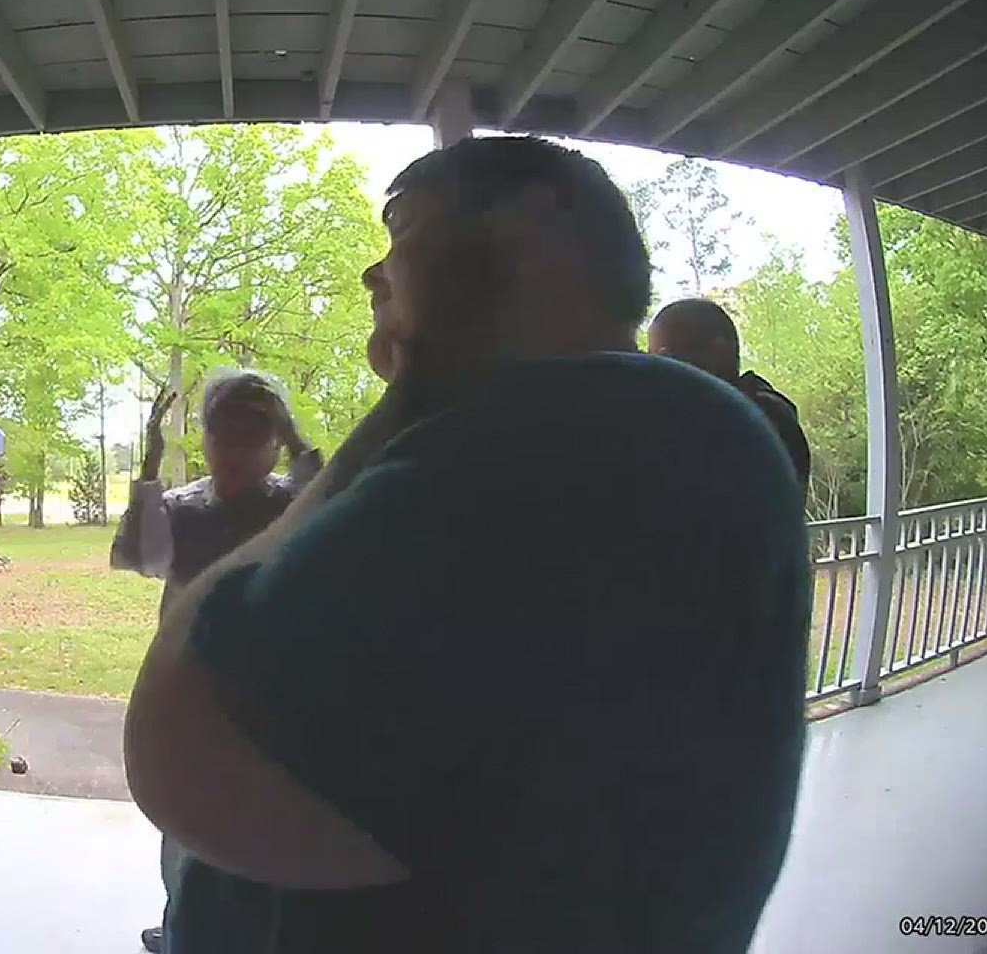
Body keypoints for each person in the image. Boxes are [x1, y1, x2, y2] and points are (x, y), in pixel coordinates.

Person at [123, 135, 811, 952]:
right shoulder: (654, 433)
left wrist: (399, 406)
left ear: (532, 217)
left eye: (402, 228)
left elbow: (178, 736)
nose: (373, 274)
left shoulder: (573, 433)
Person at [111, 368, 324, 953]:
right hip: (192, 686)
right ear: (204, 438)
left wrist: (300, 441)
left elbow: (336, 508)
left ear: (275, 443)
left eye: (253, 436)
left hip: (269, 690)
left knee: (256, 826)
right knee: (185, 826)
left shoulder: (292, 502)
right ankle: (183, 924)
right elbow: (145, 556)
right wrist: (150, 471)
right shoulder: (183, 508)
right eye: (222, 435)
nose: (234, 451)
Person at [647, 297, 812, 493]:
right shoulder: (755, 413)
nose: (658, 370)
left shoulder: (757, 421)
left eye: (666, 358)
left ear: (718, 352)